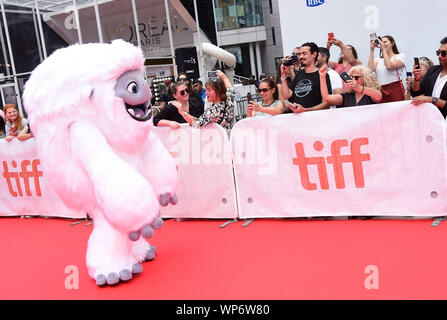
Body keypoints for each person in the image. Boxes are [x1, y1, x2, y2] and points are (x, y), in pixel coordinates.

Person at [174, 70, 235, 134]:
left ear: (218, 92)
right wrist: (224, 77)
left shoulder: (213, 111)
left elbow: (196, 124)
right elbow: (231, 90)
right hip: (230, 139)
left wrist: (182, 112)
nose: (206, 93)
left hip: (218, 141)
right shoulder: (228, 99)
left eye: (209, 90)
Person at [280, 42, 332, 113]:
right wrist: (283, 75)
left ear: (314, 54)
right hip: (297, 119)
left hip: (314, 119)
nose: (301, 57)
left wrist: (306, 110)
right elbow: (286, 95)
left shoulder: (322, 74)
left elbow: (327, 104)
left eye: (304, 54)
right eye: (300, 54)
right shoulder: (299, 74)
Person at [411, 37, 447, 117]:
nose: (439, 56)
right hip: (428, 119)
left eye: (444, 53)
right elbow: (416, 93)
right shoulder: (433, 70)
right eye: (438, 52)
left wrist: (431, 99)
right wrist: (417, 80)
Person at [368, 35, 406, 103]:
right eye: (381, 42)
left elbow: (389, 66)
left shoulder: (400, 56)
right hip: (381, 90)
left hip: (395, 90)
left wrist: (383, 49)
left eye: (385, 42)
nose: (383, 44)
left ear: (392, 43)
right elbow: (370, 69)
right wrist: (372, 50)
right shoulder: (378, 59)